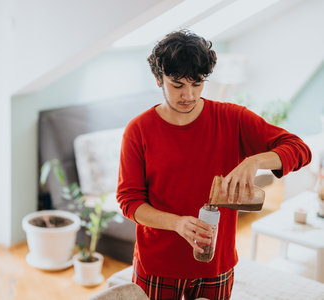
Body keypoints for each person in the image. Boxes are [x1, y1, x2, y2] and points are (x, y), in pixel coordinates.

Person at [116, 30, 311, 300]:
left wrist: (255, 161)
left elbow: (299, 149)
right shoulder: (139, 130)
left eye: (197, 84)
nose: (189, 94)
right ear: (158, 78)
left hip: (215, 265)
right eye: (177, 85)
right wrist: (177, 224)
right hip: (158, 266)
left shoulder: (232, 119)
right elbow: (129, 201)